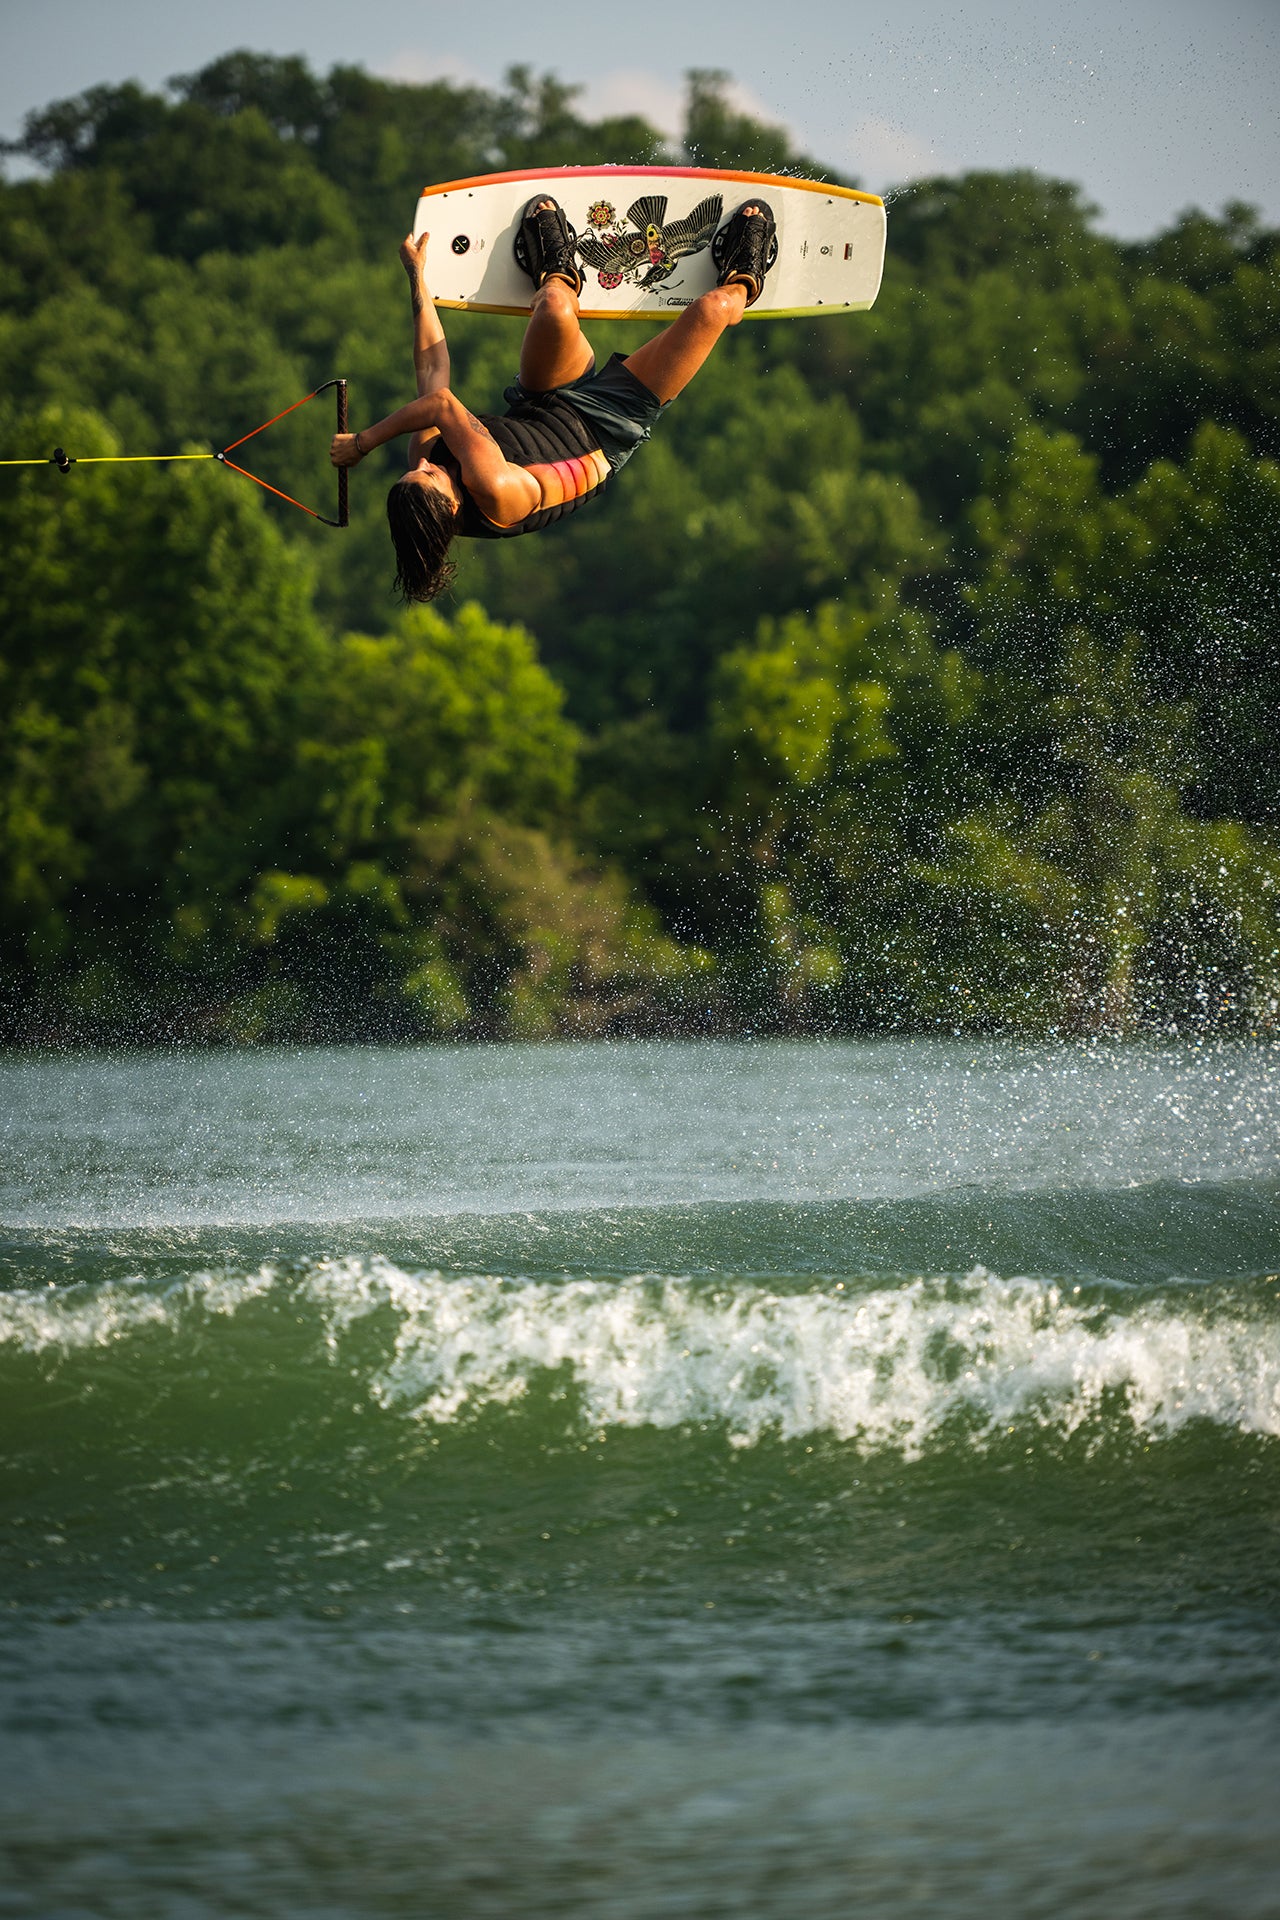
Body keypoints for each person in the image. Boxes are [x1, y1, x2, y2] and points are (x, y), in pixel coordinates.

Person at [329, 196, 777, 602]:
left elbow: (430, 370)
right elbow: (442, 404)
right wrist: (363, 444)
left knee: (554, 307)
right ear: (451, 506)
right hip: (611, 425)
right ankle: (744, 276)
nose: (422, 464)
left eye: (416, 471)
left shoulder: (429, 458)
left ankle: (557, 272)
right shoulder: (494, 493)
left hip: (545, 401)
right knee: (712, 309)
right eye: (427, 477)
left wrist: (417, 278)